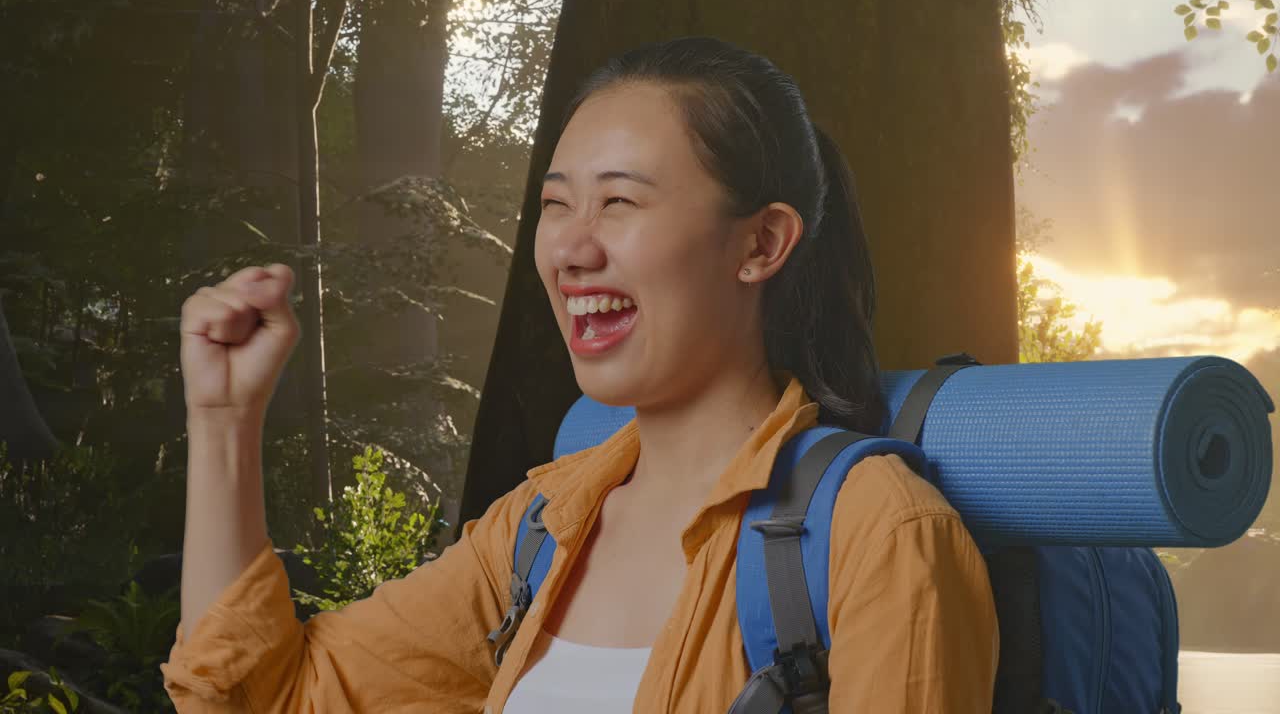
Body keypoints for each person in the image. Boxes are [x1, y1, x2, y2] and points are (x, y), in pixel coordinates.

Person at [162, 36, 998, 713]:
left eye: (620, 202)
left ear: (760, 244)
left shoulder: (880, 537)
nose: (569, 247)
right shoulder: (534, 533)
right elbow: (270, 700)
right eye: (556, 204)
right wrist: (224, 421)